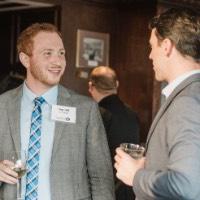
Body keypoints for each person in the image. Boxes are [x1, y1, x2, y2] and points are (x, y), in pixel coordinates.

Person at [0, 23, 115, 200]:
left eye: (61, 53)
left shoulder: (86, 110)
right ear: (25, 59)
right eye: (48, 53)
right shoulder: (3, 105)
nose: (58, 61)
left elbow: (101, 178)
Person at [114, 7, 200, 200]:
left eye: (152, 46)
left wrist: (135, 176)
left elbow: (187, 185)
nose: (150, 55)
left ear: (167, 46)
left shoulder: (187, 102)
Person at [88, 66, 140, 200]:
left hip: (104, 189)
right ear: (116, 84)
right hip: (130, 187)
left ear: (90, 86)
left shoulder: (96, 114)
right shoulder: (132, 114)